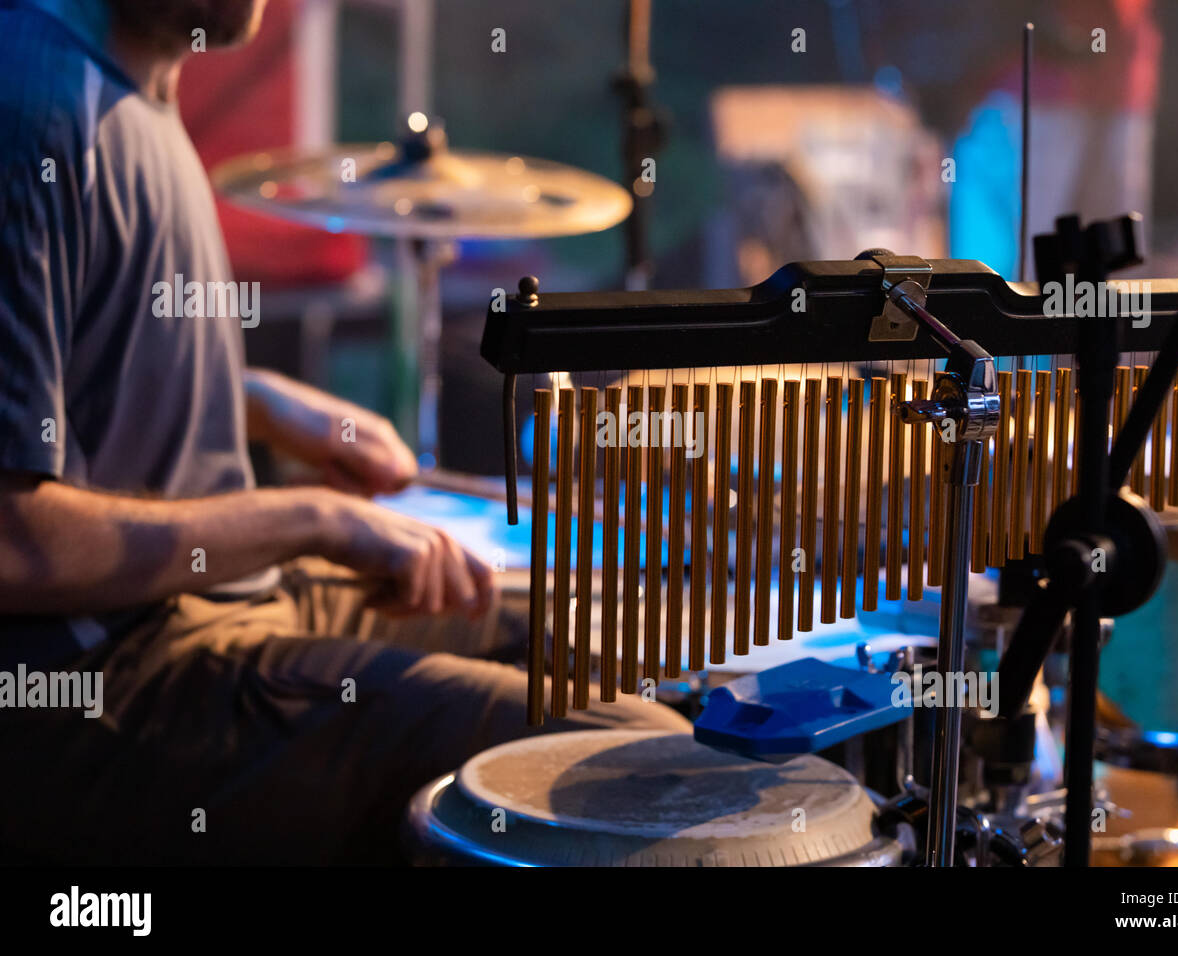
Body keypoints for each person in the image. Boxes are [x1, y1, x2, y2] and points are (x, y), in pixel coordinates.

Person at [0, 0, 688, 865]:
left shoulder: (129, 76)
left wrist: (256, 398)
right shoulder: (34, 107)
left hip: (221, 603)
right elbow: (12, 539)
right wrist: (315, 519)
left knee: (609, 635)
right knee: (640, 758)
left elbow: (68, 373)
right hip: (111, 685)